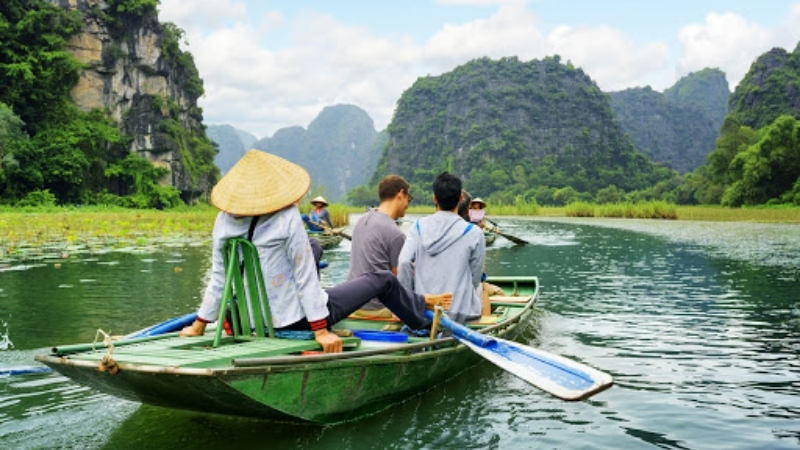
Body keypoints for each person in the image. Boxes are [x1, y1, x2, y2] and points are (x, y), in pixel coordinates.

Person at [180, 150, 452, 352]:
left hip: (244, 320)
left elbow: (218, 277)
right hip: (292, 322)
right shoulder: (287, 217)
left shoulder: (224, 221)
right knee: (384, 279)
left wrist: (198, 326)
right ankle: (420, 318)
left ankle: (419, 301)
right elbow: (304, 276)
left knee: (314, 246)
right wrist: (320, 331)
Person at [398, 172, 486, 324]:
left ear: (434, 199)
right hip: (459, 314)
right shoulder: (474, 233)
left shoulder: (417, 227)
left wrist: (410, 302)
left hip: (424, 312)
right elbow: (475, 278)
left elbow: (404, 262)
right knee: (481, 288)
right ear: (460, 199)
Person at [347, 175, 412, 318]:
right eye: (409, 198)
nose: (408, 203)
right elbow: (399, 280)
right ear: (400, 194)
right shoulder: (396, 234)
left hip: (351, 302)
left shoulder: (361, 221)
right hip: (376, 307)